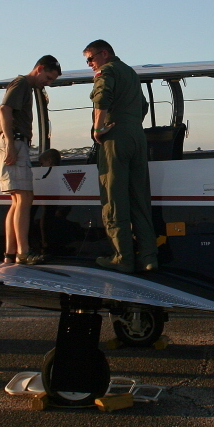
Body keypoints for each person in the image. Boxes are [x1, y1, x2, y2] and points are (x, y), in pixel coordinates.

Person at [83, 40, 158, 273]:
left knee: (113, 198)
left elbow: (101, 97)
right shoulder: (131, 73)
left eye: (90, 59)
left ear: (104, 53)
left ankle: (122, 257)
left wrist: (97, 129)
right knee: (140, 198)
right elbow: (143, 106)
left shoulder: (107, 71)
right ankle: (148, 258)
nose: (90, 65)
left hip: (115, 137)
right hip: (137, 135)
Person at [0, 55, 62, 264]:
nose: (47, 83)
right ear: (39, 69)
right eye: (47, 78)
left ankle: (11, 251)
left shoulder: (23, 87)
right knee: (24, 199)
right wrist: (11, 144)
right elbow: (4, 110)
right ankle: (23, 251)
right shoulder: (21, 83)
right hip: (15, 143)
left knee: (18, 200)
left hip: (16, 142)